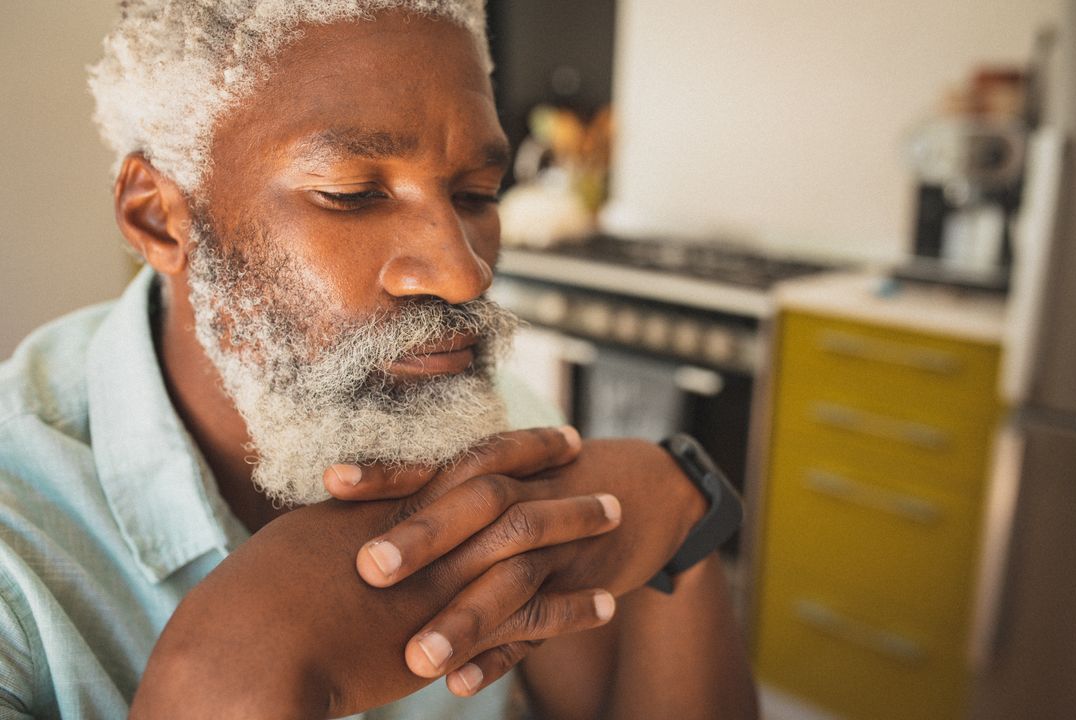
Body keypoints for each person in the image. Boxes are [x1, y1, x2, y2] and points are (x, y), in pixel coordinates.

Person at [0, 1, 758, 718]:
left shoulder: (501, 419)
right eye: (352, 193)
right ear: (159, 218)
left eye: (476, 194)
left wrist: (678, 496)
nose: (465, 275)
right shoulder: (20, 552)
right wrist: (226, 663)